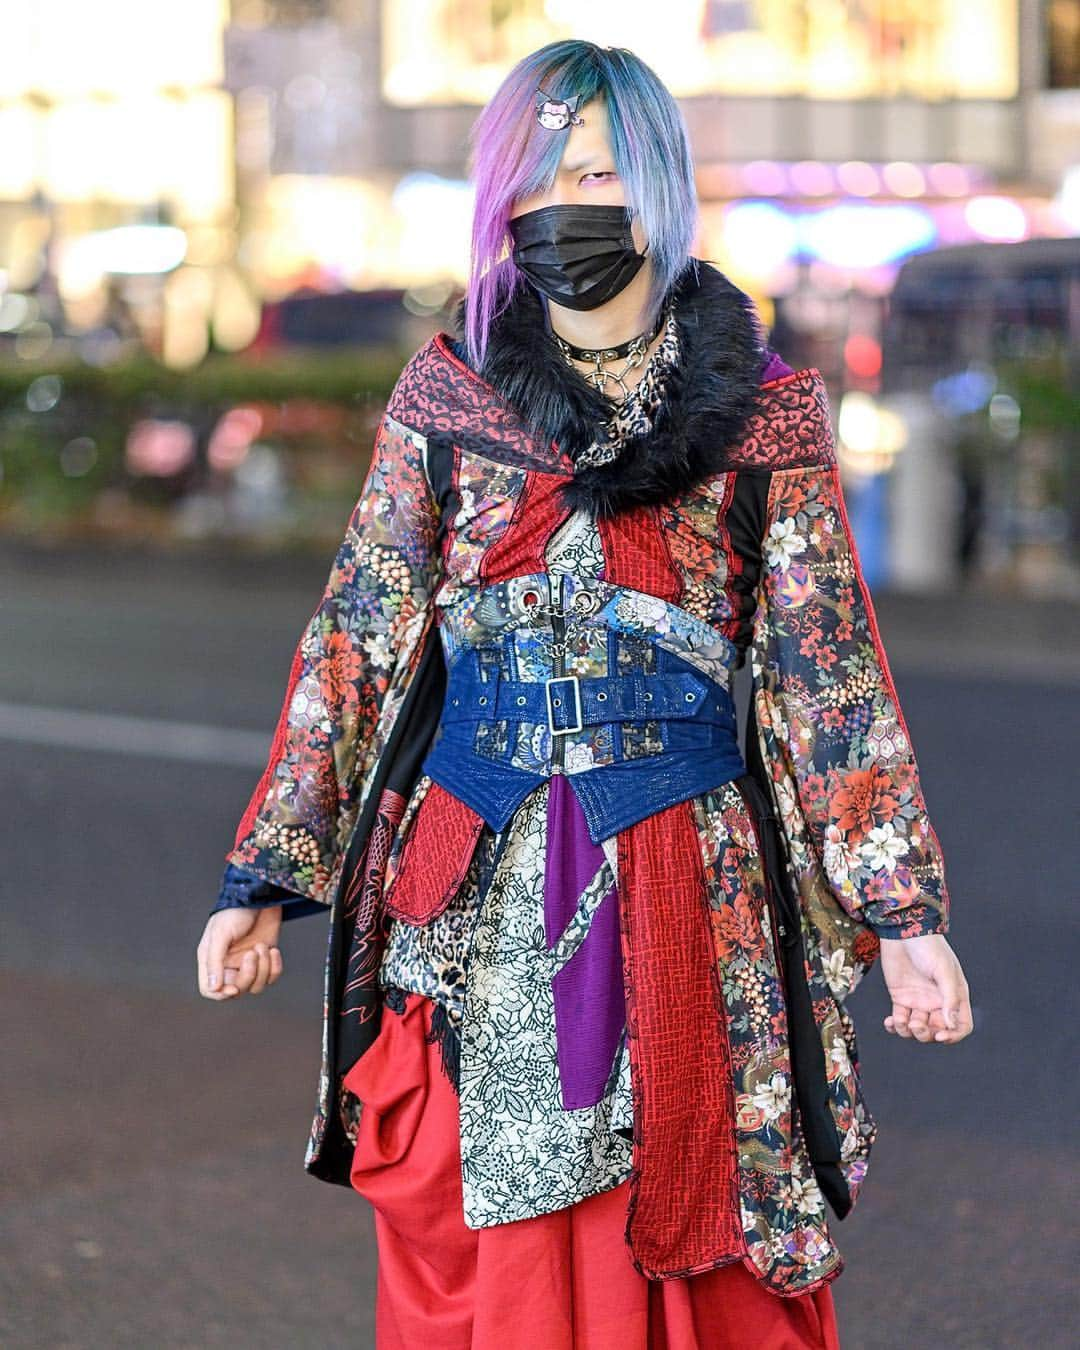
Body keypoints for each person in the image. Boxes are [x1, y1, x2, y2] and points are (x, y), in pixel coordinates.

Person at [196, 40, 974, 1350]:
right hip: (480, 880)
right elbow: (361, 634)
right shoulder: (450, 396)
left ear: (662, 185)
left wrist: (903, 915)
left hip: (683, 872)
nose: (572, 197)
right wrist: (262, 876)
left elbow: (825, 671)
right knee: (481, 1234)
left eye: (603, 168)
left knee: (697, 1222)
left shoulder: (763, 413)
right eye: (540, 171)